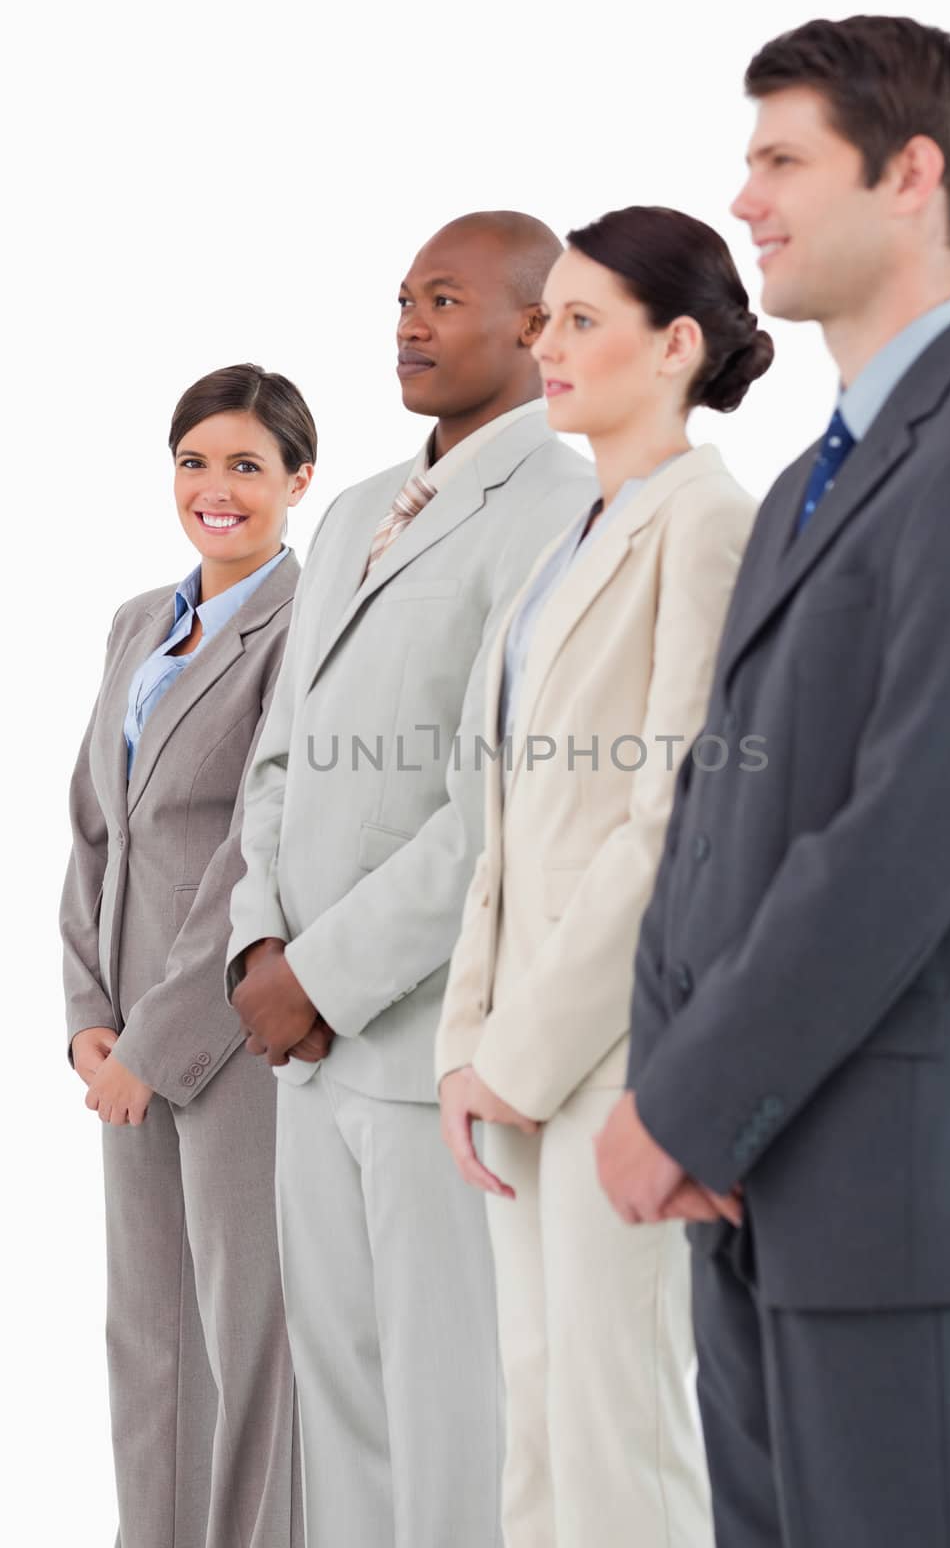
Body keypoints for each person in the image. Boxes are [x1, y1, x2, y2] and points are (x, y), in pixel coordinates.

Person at [596, 15, 950, 1548]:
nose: (746, 202)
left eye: (781, 158)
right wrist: (679, 1093)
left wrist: (688, 1102)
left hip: (888, 1192)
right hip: (750, 1185)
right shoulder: (813, 475)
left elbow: (901, 841)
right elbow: (719, 804)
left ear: (909, 174)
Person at [226, 211, 596, 1548]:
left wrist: (321, 976)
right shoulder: (347, 513)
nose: (408, 323)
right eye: (400, 298)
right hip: (301, 1053)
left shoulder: (564, 511)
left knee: (455, 1423)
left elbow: (499, 802)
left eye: (442, 299)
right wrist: (258, 954)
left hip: (431, 1051)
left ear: (532, 325)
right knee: (341, 1415)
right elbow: (278, 761)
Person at [435, 205, 768, 1548]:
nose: (545, 341)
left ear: (675, 343)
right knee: (537, 1421)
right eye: (545, 316)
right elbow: (503, 818)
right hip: (517, 1059)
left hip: (617, 1054)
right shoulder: (568, 539)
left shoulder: (705, 524)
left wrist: (517, 1050)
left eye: (581, 319)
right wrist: (469, 1043)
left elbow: (669, 821)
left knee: (616, 1432)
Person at [61, 363, 314, 1548]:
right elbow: (92, 828)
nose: (215, 489)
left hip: (233, 1038)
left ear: (297, 481)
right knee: (148, 1335)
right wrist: (88, 1015)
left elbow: (254, 858)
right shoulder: (136, 623)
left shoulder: (303, 629)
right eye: (195, 461)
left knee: (249, 1330)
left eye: (246, 466)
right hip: (126, 1040)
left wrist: (157, 1043)